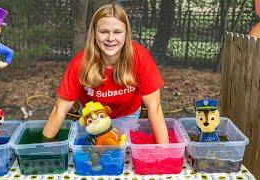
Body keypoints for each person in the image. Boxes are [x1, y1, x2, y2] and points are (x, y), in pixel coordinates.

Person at [43, 3, 169, 144]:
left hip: (127, 116)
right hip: (93, 118)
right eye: (103, 32)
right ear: (94, 34)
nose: (110, 38)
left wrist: (165, 153)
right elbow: (59, 109)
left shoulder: (139, 57)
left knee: (120, 150)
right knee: (93, 152)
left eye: (117, 32)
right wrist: (42, 149)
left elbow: (155, 108)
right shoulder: (80, 62)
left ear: (126, 34)